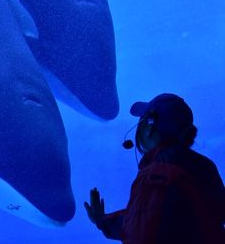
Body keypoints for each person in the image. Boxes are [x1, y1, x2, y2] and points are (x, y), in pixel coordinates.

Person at [85, 93, 225, 244]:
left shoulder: (155, 175)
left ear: (150, 126)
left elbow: (140, 233)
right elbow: (147, 219)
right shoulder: (204, 166)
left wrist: (102, 221)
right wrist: (103, 221)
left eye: (142, 122)